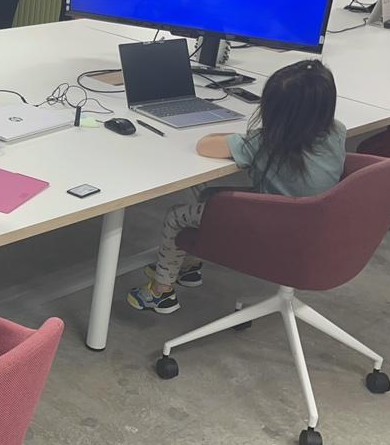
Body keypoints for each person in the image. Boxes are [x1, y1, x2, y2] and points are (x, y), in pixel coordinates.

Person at [128, 60, 346, 314]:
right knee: (208, 193)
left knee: (177, 216)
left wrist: (238, 135)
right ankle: (188, 265)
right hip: (313, 222)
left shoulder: (268, 144)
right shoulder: (337, 131)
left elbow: (205, 146)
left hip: (273, 225)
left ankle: (160, 292)